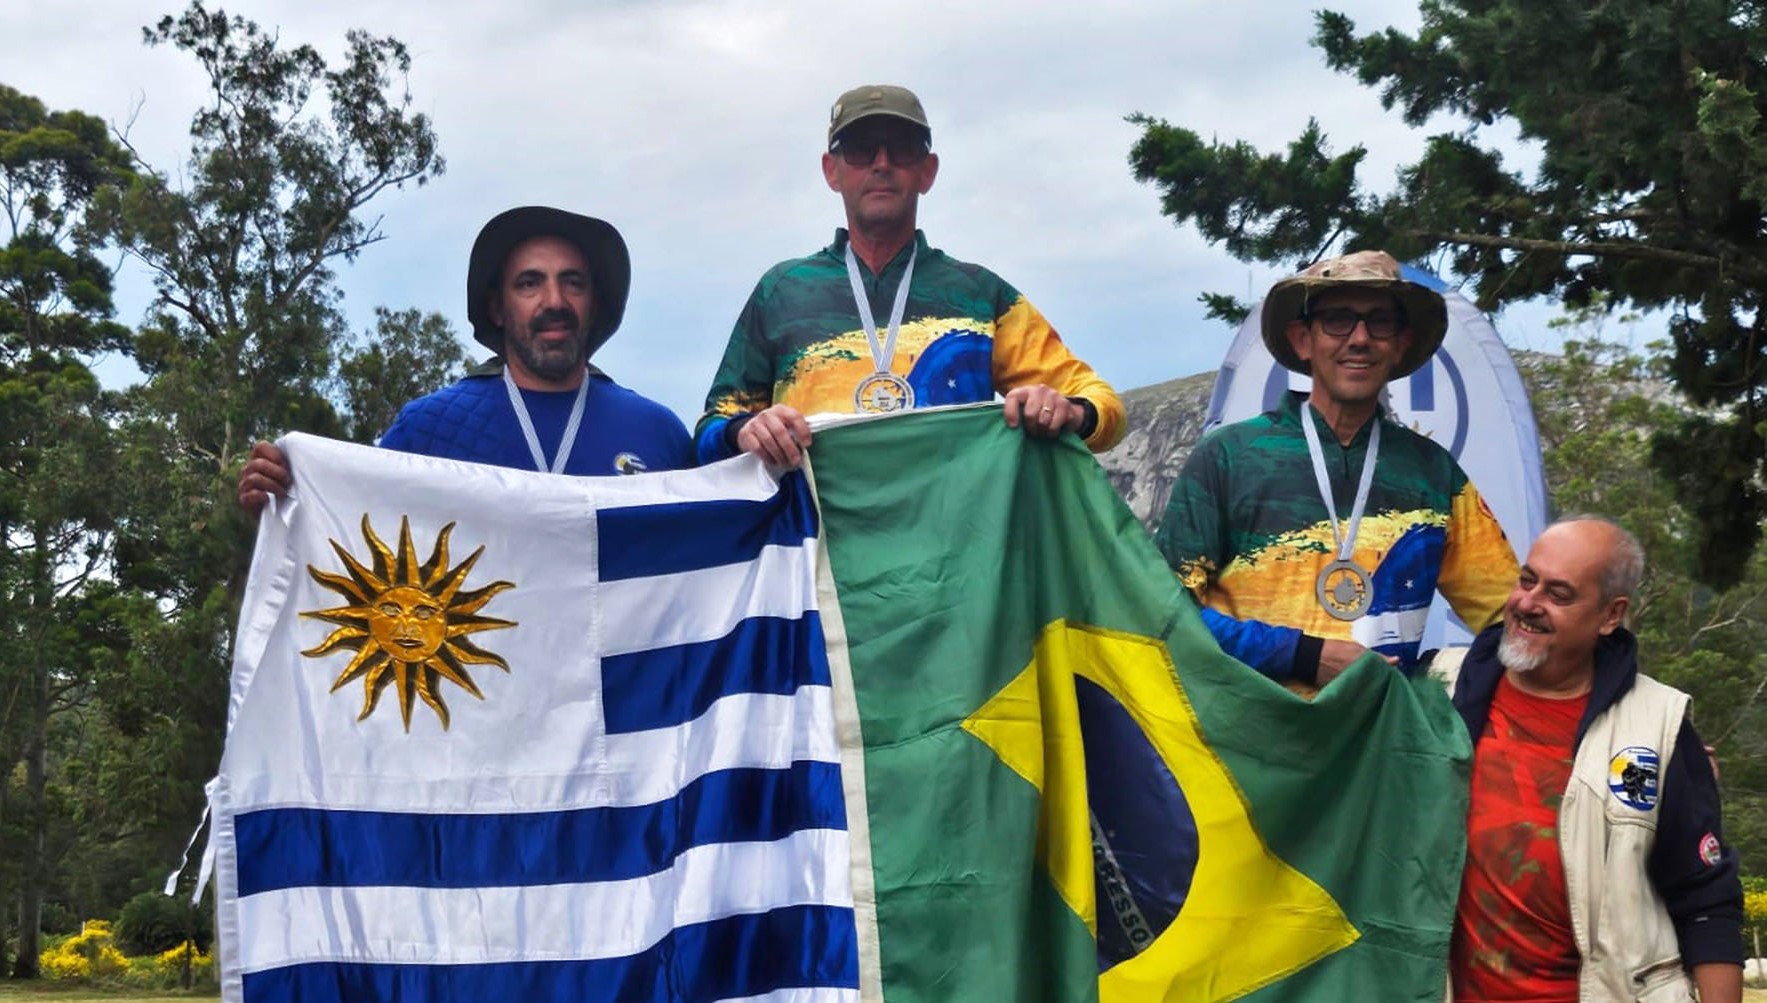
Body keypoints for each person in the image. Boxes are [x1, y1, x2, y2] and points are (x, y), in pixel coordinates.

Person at [695, 84, 1125, 466]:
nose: (882, 164)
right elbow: (711, 431)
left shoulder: (979, 293)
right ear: (832, 170)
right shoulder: (783, 291)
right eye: (862, 149)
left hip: (952, 548)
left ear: (928, 171)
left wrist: (1069, 411)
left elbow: (1105, 408)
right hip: (816, 547)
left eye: (902, 148)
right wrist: (744, 432)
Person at [1155, 250, 1518, 687]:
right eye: (1338, 319)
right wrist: (1302, 656)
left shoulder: (1433, 473)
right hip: (1244, 743)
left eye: (1380, 322)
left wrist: (1432, 684)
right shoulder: (1230, 456)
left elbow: (1508, 618)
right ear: (1302, 339)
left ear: (1400, 342)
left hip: (1377, 743)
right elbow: (1161, 610)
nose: (1360, 338)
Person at [1440, 516, 1744, 1003]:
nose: (1528, 604)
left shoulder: (1658, 727)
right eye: (1526, 580)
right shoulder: (1438, 688)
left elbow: (1707, 901)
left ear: (1610, 615)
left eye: (1558, 595)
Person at [238, 207, 692, 512]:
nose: (554, 300)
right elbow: (356, 538)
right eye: (529, 283)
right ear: (497, 307)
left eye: (573, 282)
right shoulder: (429, 429)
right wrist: (287, 504)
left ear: (595, 302)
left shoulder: (657, 434)